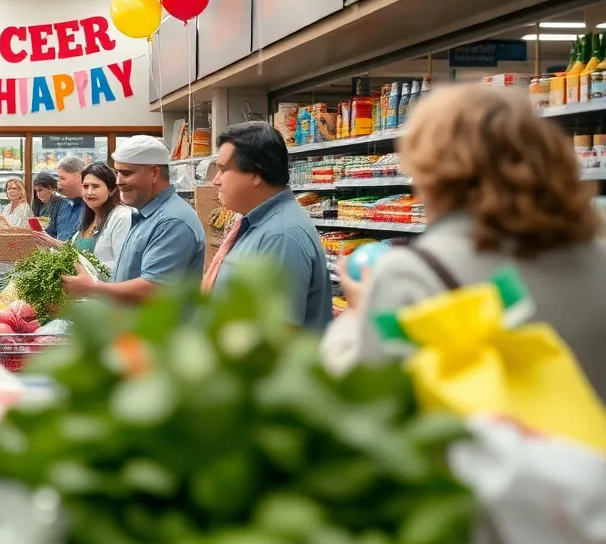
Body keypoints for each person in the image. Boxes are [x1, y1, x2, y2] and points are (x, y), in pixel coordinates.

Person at [338, 84, 606, 394]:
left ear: (434, 174)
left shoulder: (410, 274)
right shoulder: (597, 257)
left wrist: (357, 316)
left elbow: (368, 403)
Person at [204, 121, 332, 330]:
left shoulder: (281, 236)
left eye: (223, 170)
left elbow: (278, 336)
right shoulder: (254, 224)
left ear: (256, 174)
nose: (215, 181)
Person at [62, 136, 205, 302]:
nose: (119, 182)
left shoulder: (173, 221)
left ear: (154, 173)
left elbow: (154, 289)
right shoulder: (144, 215)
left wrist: (92, 288)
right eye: (117, 173)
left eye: (127, 173)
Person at [32, 162, 133, 273]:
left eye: (95, 186)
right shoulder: (89, 217)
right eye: (85, 186)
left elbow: (123, 266)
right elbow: (76, 253)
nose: (89, 192)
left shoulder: (122, 217)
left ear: (111, 189)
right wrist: (50, 242)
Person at [46, 156, 86, 241]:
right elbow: (53, 232)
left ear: (78, 176)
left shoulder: (90, 206)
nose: (58, 183)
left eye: (62, 178)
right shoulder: (63, 203)